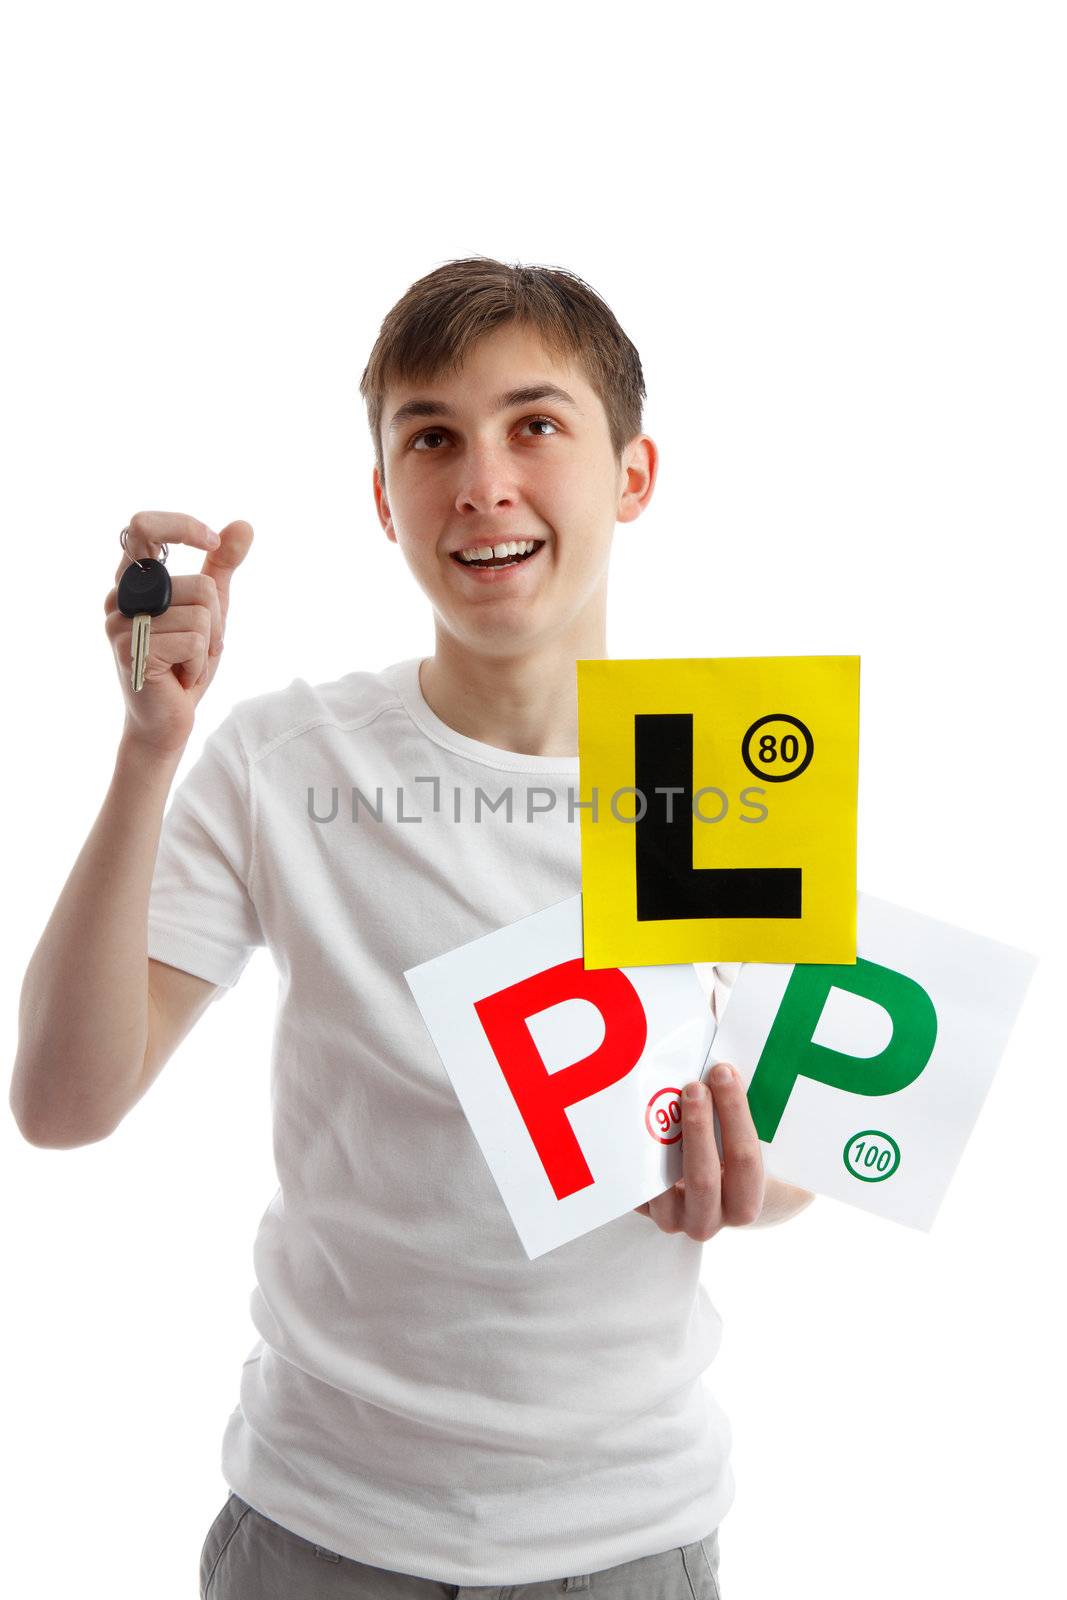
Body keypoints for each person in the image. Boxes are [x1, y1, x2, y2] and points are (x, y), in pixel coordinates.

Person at [10, 256, 815, 1599]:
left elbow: (794, 1143)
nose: (484, 480)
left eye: (537, 425)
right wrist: (151, 750)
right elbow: (61, 1102)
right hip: (321, 1526)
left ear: (634, 476)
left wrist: (753, 1186)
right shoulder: (288, 764)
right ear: (386, 502)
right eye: (431, 436)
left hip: (627, 1531)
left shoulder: (715, 769)